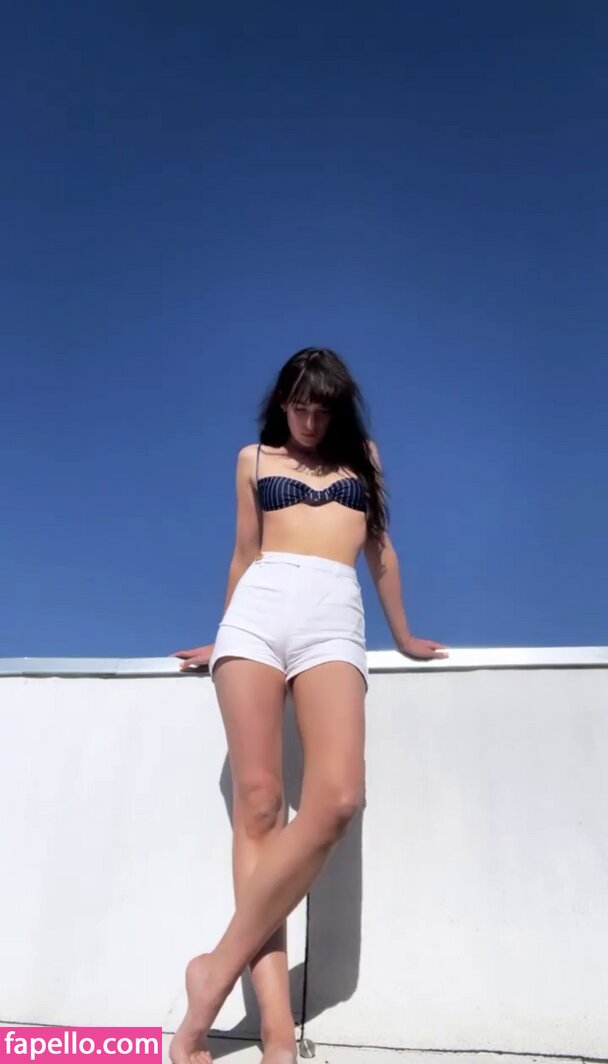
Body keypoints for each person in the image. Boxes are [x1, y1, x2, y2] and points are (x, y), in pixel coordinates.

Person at [169, 348, 448, 1064]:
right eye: (300, 406)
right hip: (256, 617)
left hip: (333, 617)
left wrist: (404, 636)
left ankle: (213, 972)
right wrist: (223, 630)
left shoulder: (363, 461)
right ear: (282, 402)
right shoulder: (253, 460)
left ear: (338, 409)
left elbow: (379, 551)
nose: (310, 420)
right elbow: (244, 554)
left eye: (322, 409)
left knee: (337, 799)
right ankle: (273, 1032)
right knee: (260, 806)